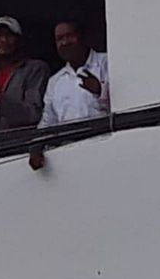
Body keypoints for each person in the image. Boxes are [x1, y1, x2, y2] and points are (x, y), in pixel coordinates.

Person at [30, 20, 109, 170]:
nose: (65, 42)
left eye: (70, 35)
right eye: (59, 39)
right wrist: (37, 145)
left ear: (82, 36)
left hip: (105, 153)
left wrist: (100, 91)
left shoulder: (107, 63)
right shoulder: (55, 81)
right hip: (69, 160)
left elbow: (125, 103)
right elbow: (48, 122)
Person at [0, 16, 49, 134]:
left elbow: (34, 113)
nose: (3, 40)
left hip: (23, 144)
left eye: (9, 35)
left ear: (19, 41)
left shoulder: (34, 69)